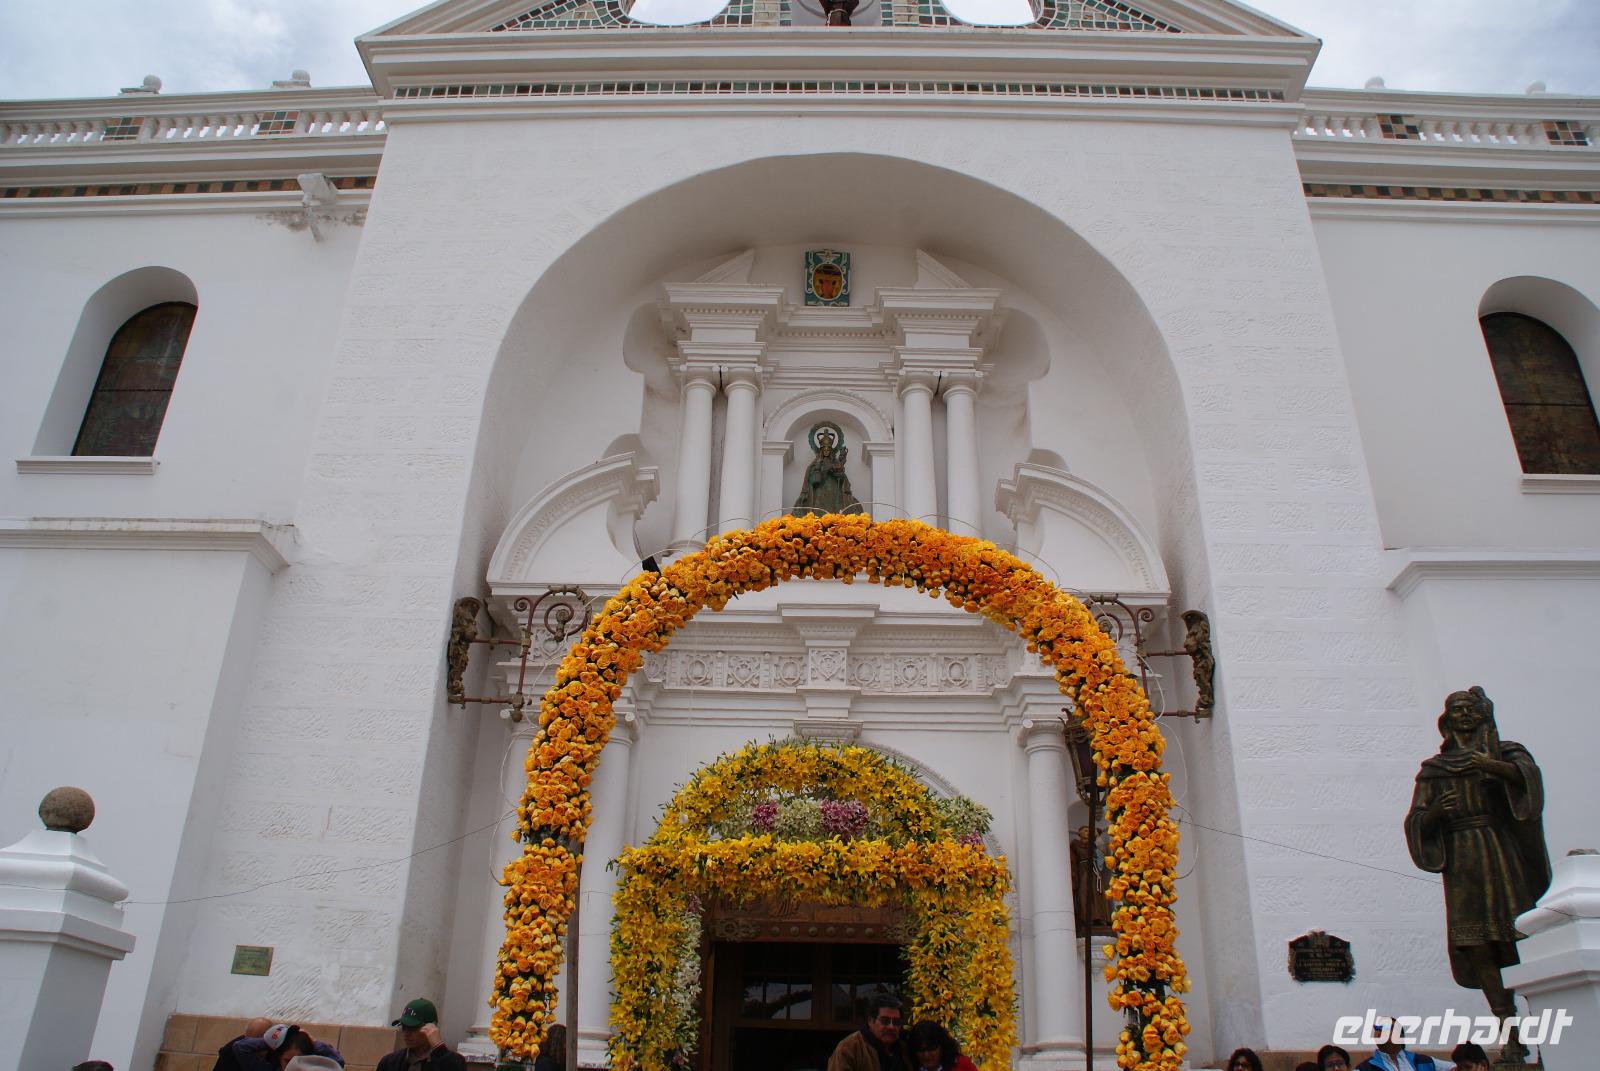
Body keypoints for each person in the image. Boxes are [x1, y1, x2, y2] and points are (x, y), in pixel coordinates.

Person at [1405, 686, 1550, 1064]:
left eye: (1471, 708)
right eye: (1457, 709)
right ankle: (1510, 1034)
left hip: (1500, 853)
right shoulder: (1434, 770)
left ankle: (1548, 1030)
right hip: (1463, 863)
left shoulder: (1505, 754)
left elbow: (1528, 782)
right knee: (1478, 946)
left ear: (1484, 714)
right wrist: (1436, 813)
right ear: (1447, 720)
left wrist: (1489, 765)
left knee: (1520, 937)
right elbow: (1417, 819)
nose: (1465, 714)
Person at [376, 998, 465, 1071]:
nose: (406, 1033)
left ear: (431, 1028)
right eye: (404, 1027)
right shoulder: (390, 1062)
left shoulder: (451, 1062)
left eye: (413, 1027)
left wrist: (439, 1048)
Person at [827, 993, 910, 1071]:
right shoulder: (849, 1048)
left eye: (896, 1022)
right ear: (870, 1020)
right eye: (885, 1021)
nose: (891, 1027)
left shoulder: (904, 1050)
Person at [1354, 1016, 1437, 1071]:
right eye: (1377, 1027)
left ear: (1400, 1035)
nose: (1380, 1030)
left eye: (1386, 1027)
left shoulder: (1425, 1061)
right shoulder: (1364, 1068)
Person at [906, 1021, 977, 1071]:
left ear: (942, 1047)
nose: (926, 1055)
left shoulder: (962, 1065)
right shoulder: (908, 1067)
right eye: (921, 1050)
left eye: (931, 1049)